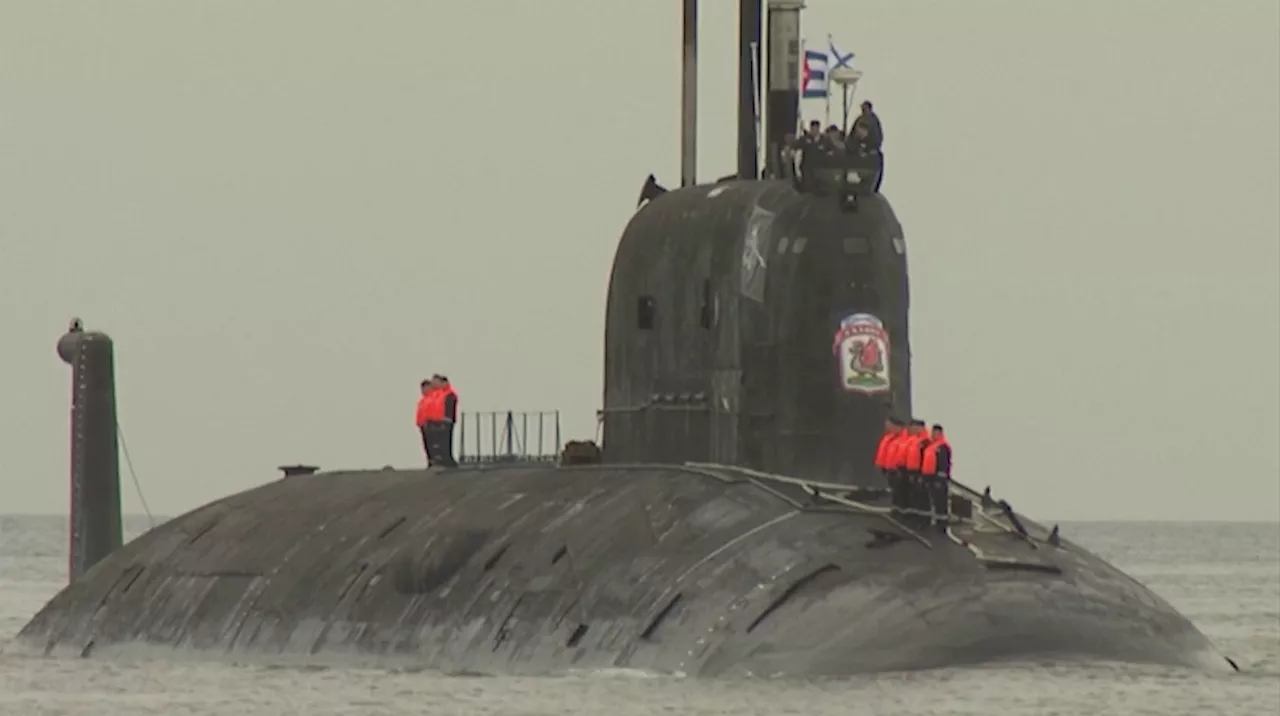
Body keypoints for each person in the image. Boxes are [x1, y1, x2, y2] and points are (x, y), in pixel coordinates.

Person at [920, 424, 952, 528]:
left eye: (935, 433)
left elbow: (944, 464)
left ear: (940, 433)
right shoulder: (932, 445)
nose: (933, 434)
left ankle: (942, 524)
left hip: (938, 479)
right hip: (931, 477)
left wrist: (940, 479)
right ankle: (937, 521)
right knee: (934, 500)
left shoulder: (942, 447)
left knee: (940, 502)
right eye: (932, 432)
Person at [426, 374, 459, 467]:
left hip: (443, 420)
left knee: (444, 442)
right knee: (438, 443)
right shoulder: (437, 395)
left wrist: (446, 418)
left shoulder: (448, 394)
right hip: (436, 421)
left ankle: (447, 460)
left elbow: (447, 406)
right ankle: (440, 460)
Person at [874, 417, 905, 507]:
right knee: (895, 493)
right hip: (889, 470)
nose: (887, 427)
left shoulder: (905, 439)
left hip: (899, 471)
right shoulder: (889, 438)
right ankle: (896, 509)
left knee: (901, 494)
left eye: (889, 425)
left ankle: (901, 512)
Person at [414, 379, 438, 465]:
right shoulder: (422, 401)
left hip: (430, 425)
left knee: (432, 444)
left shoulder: (433, 399)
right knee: (426, 445)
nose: (423, 391)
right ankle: (430, 461)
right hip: (423, 426)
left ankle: (434, 461)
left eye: (424, 388)